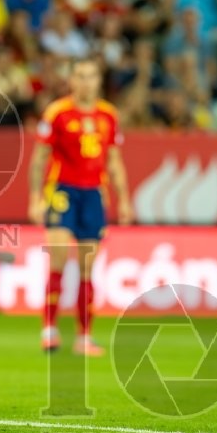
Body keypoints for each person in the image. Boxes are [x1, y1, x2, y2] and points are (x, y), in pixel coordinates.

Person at [28, 58, 132, 355]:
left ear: (99, 81)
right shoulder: (58, 112)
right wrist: (35, 198)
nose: (86, 82)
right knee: (58, 260)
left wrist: (123, 198)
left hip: (94, 195)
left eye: (91, 76)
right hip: (62, 192)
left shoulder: (109, 115)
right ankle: (49, 329)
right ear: (71, 80)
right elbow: (39, 159)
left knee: (88, 268)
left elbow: (114, 161)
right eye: (80, 76)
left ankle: (84, 337)